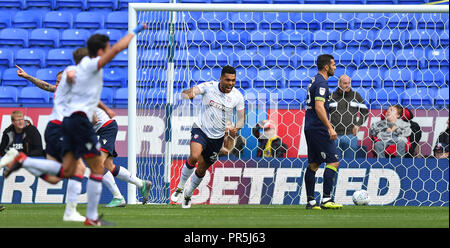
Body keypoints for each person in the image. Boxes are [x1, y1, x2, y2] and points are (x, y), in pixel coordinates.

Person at [2, 23, 148, 226]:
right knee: (96, 167)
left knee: (69, 172)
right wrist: (136, 31)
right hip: (74, 125)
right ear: (96, 53)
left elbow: (61, 87)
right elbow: (116, 49)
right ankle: (94, 215)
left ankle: (24, 161)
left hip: (61, 126)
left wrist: (105, 107)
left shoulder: (72, 74)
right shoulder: (84, 71)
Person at [170, 65, 245, 208]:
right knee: (194, 156)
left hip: (217, 138)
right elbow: (189, 92)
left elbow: (241, 118)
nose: (230, 83)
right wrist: (188, 94)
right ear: (221, 78)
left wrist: (236, 128)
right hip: (201, 129)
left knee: (201, 169)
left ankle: (189, 194)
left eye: (233, 80)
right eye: (228, 80)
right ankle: (180, 187)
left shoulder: (237, 96)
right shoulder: (209, 87)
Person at [303, 54, 343, 210]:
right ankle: (326, 199)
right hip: (319, 128)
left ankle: (311, 202)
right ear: (326, 66)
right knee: (333, 161)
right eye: (333, 65)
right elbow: (319, 107)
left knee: (314, 163)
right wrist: (329, 127)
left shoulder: (314, 80)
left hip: (310, 126)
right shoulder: (321, 83)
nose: (335, 67)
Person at [329, 75, 369, 158]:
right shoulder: (331, 96)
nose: (348, 85)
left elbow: (365, 112)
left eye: (349, 83)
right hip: (334, 135)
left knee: (350, 163)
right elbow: (324, 114)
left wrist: (358, 125)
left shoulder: (356, 96)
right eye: (345, 83)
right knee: (334, 163)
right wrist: (329, 128)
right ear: (339, 83)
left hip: (350, 135)